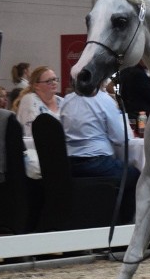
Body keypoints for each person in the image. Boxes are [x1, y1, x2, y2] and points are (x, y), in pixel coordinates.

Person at [59, 88, 140, 223]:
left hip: (70, 165)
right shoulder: (104, 100)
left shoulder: (67, 101)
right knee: (134, 175)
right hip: (97, 164)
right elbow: (120, 139)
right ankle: (124, 225)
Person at [13, 66, 63, 137]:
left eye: (55, 79)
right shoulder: (29, 100)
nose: (54, 83)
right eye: (49, 81)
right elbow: (31, 133)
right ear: (36, 85)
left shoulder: (62, 101)